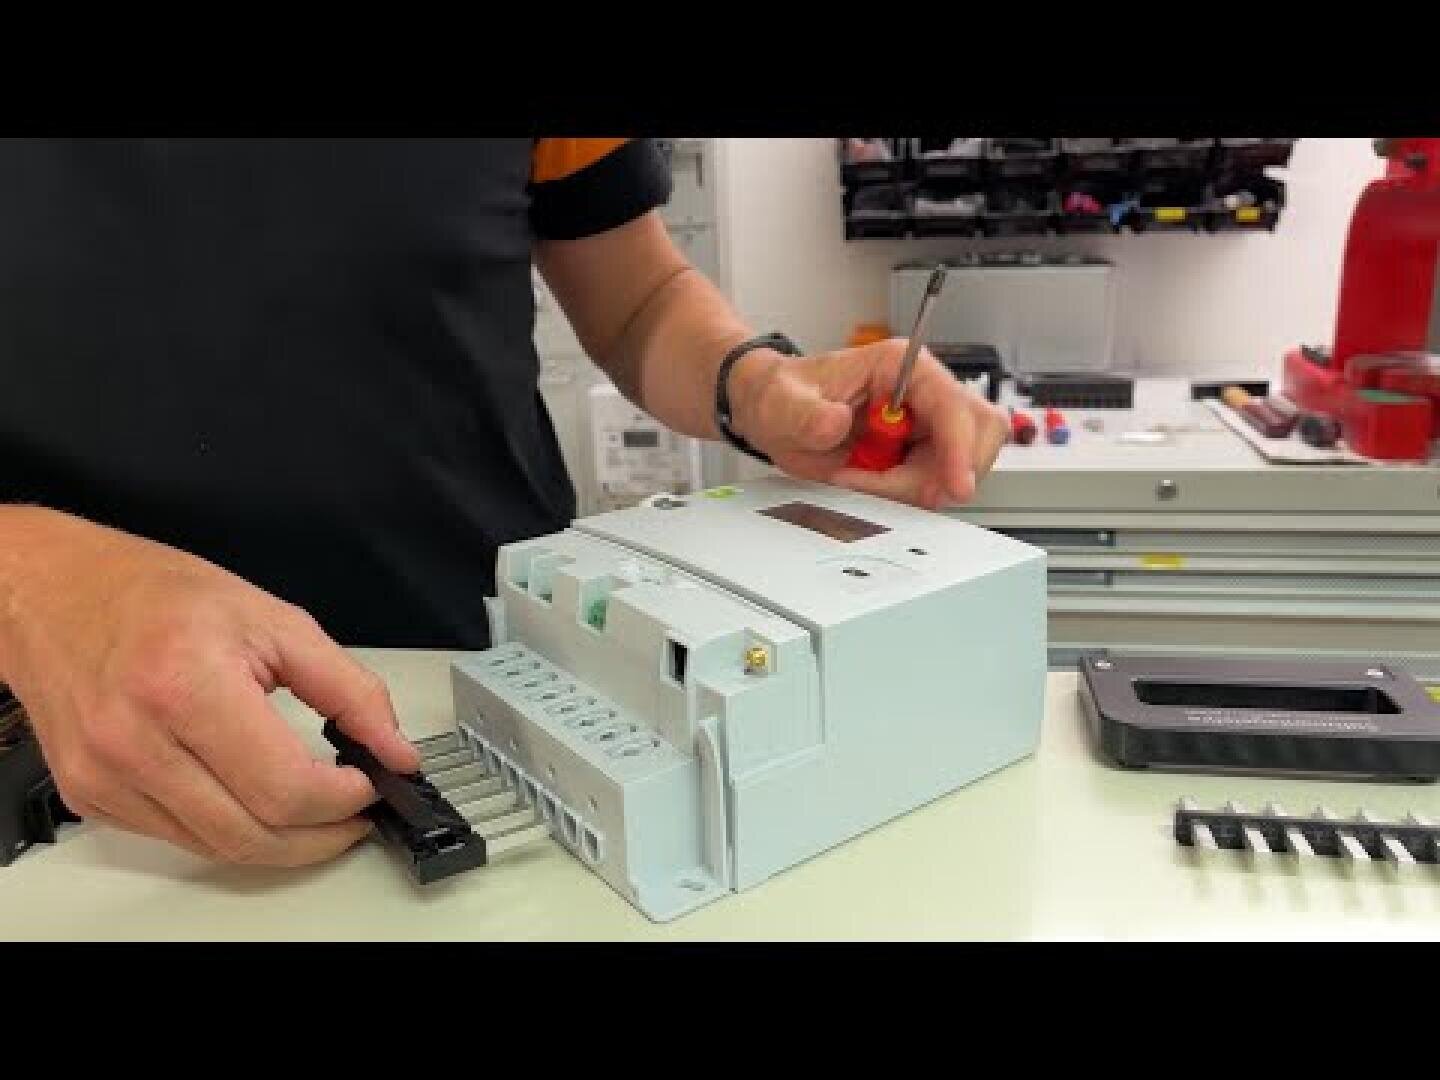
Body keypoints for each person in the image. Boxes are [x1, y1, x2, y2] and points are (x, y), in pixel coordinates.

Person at [0, 138, 1007, 868]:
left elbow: (638, 295)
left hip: (488, 673)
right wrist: (30, 584)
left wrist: (756, 386)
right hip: (76, 773)